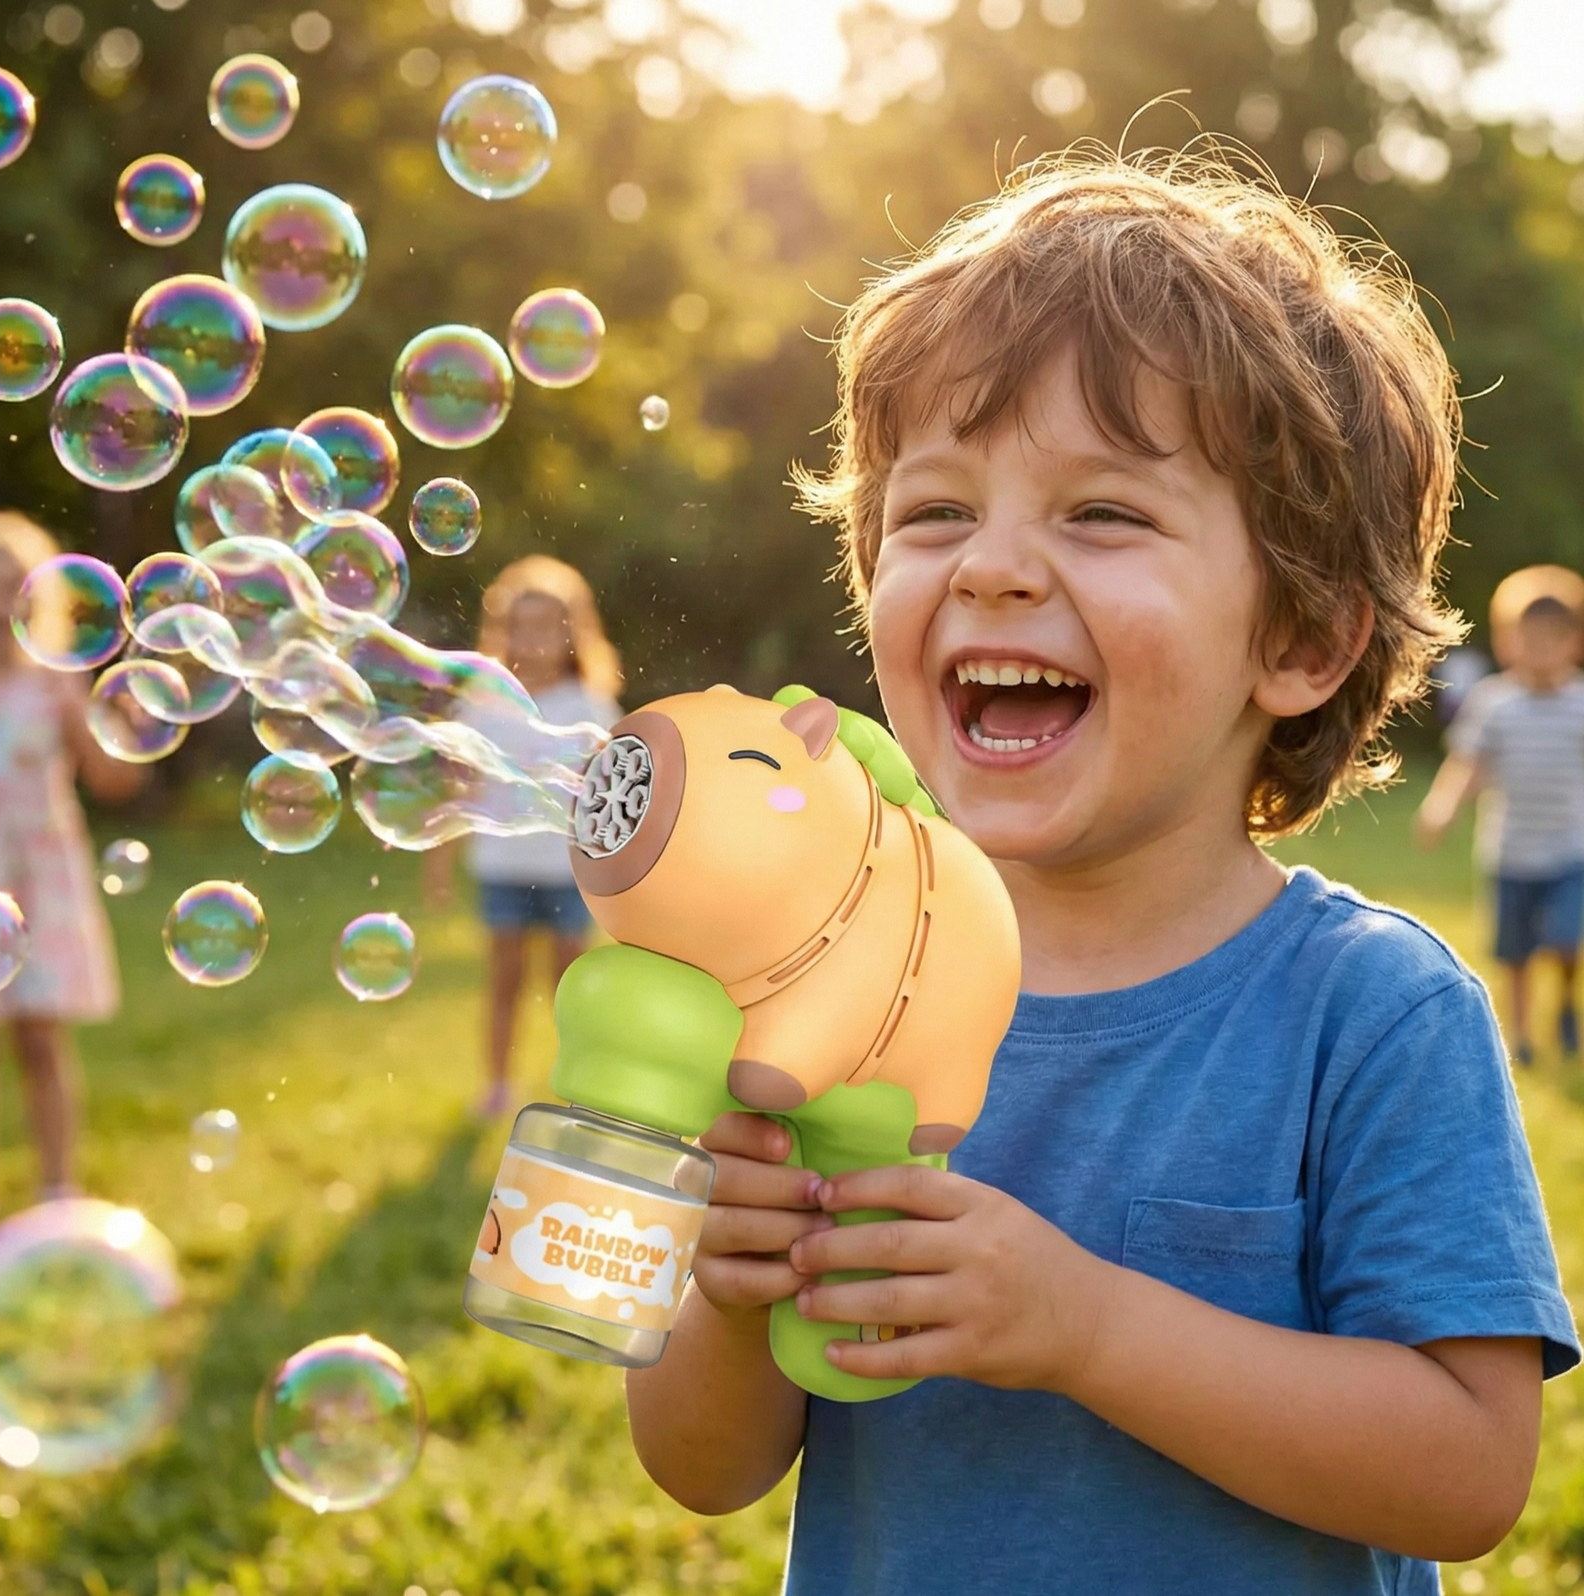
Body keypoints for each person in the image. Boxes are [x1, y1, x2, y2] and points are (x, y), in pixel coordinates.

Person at [623, 149, 1580, 1595]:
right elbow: (702, 1468)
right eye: (934, 513)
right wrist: (734, 1291)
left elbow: (1465, 1472)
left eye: (1103, 514)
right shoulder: (811, 1000)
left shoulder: (1372, 1015)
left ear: (1303, 640)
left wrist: (1082, 1327)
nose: (992, 567)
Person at [426, 555, 621, 1119]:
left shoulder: (589, 704)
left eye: (547, 629)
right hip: (503, 867)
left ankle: (579, 1089)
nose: (533, 641)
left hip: (566, 872)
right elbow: (458, 789)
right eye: (521, 627)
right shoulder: (485, 705)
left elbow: (611, 793)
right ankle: (496, 1085)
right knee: (505, 981)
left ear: (572, 636)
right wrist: (439, 865)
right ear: (502, 633)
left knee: (569, 987)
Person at [0, 511, 142, 1202]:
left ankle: (57, 1190)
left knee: (42, 1041)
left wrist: (129, 725)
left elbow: (113, 780)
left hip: (43, 883)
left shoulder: (53, 683)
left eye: (7, 588)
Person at [1416, 576, 1584, 1064]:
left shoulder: (1580, 704)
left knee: (1563, 936)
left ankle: (1567, 1004)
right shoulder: (1494, 704)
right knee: (1514, 954)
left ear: (1573, 641)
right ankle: (1524, 1037)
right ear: (1508, 642)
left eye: (1553, 639)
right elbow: (1469, 765)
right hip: (1509, 851)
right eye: (1529, 640)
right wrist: (1442, 807)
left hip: (1570, 849)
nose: (1540, 651)